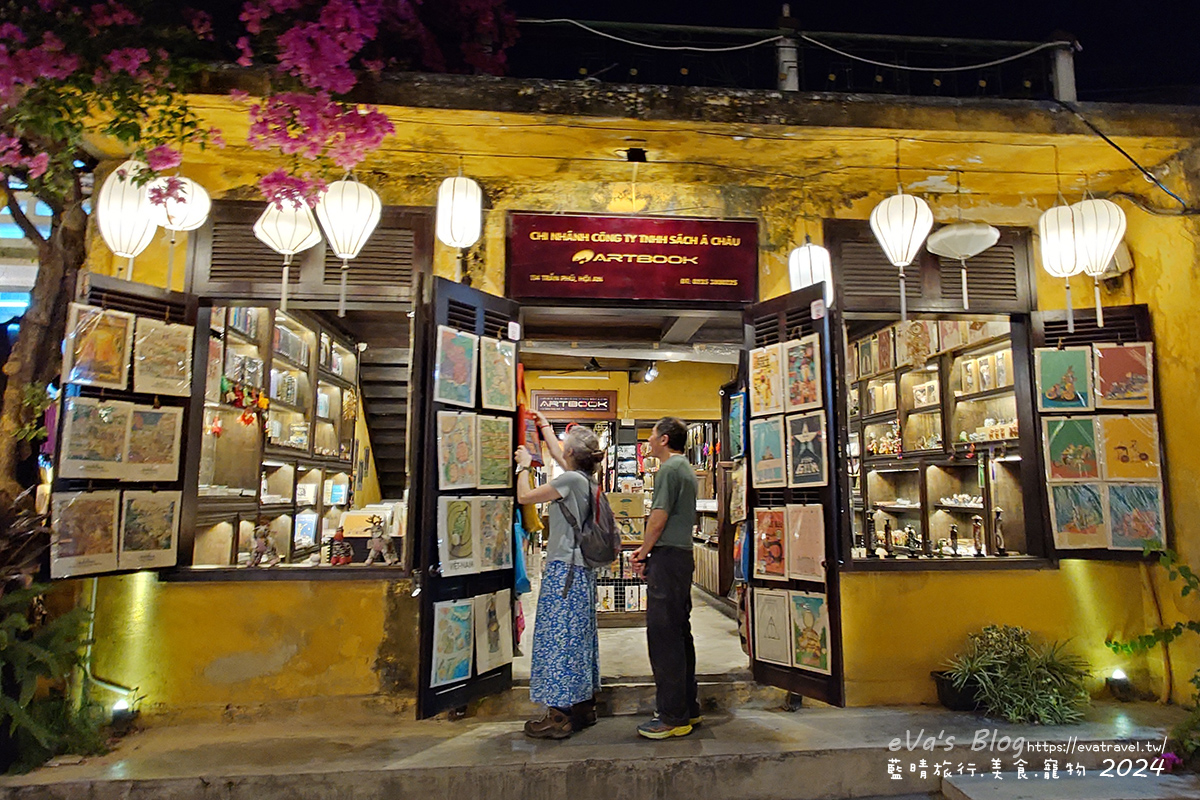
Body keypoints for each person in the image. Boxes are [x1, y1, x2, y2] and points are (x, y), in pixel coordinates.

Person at [514, 412, 604, 739]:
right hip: (581, 572)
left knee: (558, 639)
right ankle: (582, 706)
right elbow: (557, 453)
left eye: (564, 446)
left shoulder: (569, 481)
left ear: (571, 455)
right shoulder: (584, 480)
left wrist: (524, 465)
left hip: (563, 571)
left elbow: (525, 496)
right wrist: (545, 428)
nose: (560, 449)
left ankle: (558, 718)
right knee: (577, 638)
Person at [631, 416, 699, 739]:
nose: (649, 439)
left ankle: (672, 716)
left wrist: (643, 551)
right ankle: (688, 706)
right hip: (681, 557)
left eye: (653, 434)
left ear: (665, 439)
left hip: (668, 557)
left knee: (664, 636)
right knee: (680, 632)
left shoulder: (669, 470)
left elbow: (658, 518)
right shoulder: (685, 468)